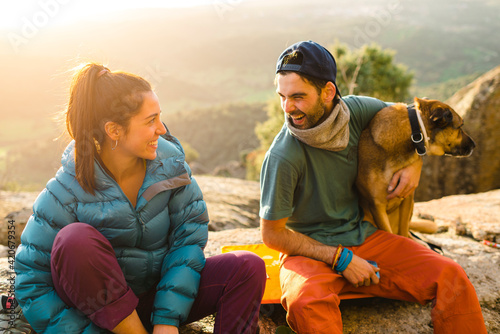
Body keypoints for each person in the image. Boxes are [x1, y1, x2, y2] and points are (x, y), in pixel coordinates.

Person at [14, 63, 266, 334]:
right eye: (150, 120)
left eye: (160, 117)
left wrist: (166, 321)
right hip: (100, 318)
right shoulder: (65, 189)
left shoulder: (171, 166)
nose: (161, 129)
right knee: (75, 240)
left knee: (247, 268)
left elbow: (188, 241)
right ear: (114, 130)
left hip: (156, 301)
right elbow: (31, 281)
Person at [259, 40, 487, 333]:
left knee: (452, 277)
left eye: (299, 97)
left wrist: (415, 164)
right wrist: (340, 259)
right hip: (309, 252)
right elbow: (272, 234)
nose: (288, 108)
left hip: (365, 237)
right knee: (307, 303)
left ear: (328, 92)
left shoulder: (357, 111)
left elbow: (415, 121)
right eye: (282, 96)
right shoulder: (282, 157)